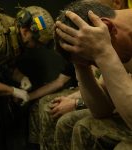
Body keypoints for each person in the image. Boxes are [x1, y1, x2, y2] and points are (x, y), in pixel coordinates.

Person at [54, 0, 132, 149]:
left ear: (108, 28)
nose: (98, 67)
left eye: (94, 62)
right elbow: (101, 110)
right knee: (73, 124)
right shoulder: (118, 41)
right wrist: (80, 64)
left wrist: (103, 54)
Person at [0, 4, 54, 150]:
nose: (38, 47)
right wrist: (13, 91)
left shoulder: (13, 33)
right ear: (26, 31)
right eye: (37, 43)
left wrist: (21, 78)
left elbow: (3, 63)